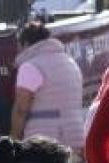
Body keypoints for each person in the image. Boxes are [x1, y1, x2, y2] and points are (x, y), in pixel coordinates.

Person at [10, 21, 84, 154]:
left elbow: (21, 109)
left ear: (25, 44)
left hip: (43, 141)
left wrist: (13, 140)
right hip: (75, 137)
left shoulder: (30, 66)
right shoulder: (70, 62)